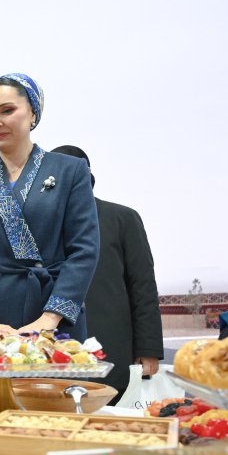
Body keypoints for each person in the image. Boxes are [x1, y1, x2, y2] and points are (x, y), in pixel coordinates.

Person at [0, 73, 99, 392]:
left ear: (33, 114)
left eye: (7, 110)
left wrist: (49, 319)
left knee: (49, 412)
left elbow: (84, 251)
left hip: (52, 322)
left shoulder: (70, 171)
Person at [51, 145, 163, 398]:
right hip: (51, 353)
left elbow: (143, 286)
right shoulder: (33, 226)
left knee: (111, 417)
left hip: (111, 347)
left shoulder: (122, 218)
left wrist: (148, 349)